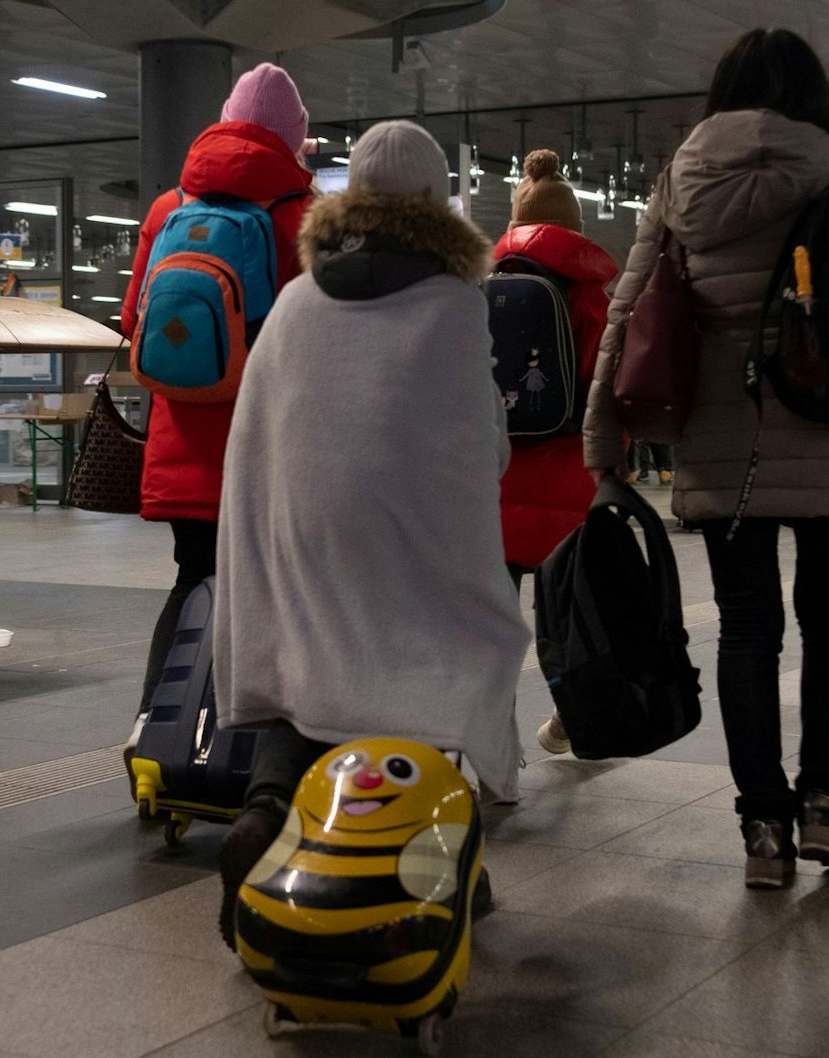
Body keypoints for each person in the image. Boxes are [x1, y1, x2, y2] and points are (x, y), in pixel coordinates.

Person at [579, 27, 829, 891]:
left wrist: (604, 441)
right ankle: (823, 804)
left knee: (748, 630)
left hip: (722, 447)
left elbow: (628, 314)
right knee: (828, 627)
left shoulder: (679, 182)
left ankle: (761, 829)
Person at [210, 120, 527, 943]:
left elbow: (257, 432)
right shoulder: (452, 303)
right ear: (433, 200)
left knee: (308, 667)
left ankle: (266, 809)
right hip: (405, 530)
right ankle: (432, 865)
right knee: (427, 668)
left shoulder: (297, 298)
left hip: (302, 524)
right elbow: (477, 441)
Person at [118, 63, 316, 716]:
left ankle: (153, 725)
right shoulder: (306, 218)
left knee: (192, 580)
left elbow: (133, 322)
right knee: (271, 593)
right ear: (293, 138)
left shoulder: (168, 208)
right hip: (269, 445)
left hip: (182, 440)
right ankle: (245, 737)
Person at [487, 148, 619, 757]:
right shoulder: (591, 296)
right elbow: (606, 387)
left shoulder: (485, 286)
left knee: (491, 620)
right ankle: (572, 722)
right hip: (568, 473)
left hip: (495, 473)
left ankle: (493, 736)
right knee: (568, 617)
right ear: (575, 228)